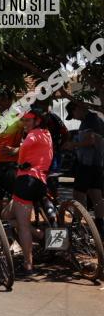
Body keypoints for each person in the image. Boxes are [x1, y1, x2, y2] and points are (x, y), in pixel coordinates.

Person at [5, 108, 53, 276]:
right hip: (41, 183)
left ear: (37, 121)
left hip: (26, 182)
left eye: (27, 120)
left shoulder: (32, 136)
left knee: (22, 225)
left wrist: (15, 157)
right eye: (23, 120)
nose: (24, 124)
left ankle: (28, 265)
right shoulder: (46, 134)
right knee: (6, 215)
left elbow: (22, 153)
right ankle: (40, 234)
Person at [64, 101, 104, 236]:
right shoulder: (95, 119)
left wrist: (73, 145)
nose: (74, 118)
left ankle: (77, 223)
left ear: (77, 108)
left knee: (78, 194)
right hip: (97, 164)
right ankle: (100, 226)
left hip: (87, 164)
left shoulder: (90, 120)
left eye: (73, 114)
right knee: (95, 194)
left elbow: (90, 140)